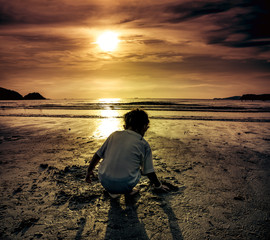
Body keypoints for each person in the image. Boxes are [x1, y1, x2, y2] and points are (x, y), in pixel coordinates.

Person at [85, 108, 168, 198]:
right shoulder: (144, 144)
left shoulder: (114, 135)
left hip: (105, 181)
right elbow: (149, 171)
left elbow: (98, 155)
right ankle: (129, 191)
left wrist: (89, 170)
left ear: (125, 126)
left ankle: (112, 191)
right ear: (145, 127)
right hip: (125, 184)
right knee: (140, 170)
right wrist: (158, 186)